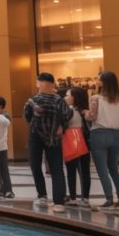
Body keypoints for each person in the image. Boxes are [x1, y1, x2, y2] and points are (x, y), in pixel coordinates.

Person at [24, 73, 73, 212]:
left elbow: (27, 116)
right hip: (54, 138)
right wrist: (61, 125)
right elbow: (68, 115)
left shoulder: (33, 100)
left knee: (35, 166)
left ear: (38, 82)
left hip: (35, 136)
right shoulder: (59, 100)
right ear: (52, 84)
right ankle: (59, 202)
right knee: (57, 169)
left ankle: (42, 195)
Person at [83, 71, 119, 212]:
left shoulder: (96, 98)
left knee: (102, 169)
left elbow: (91, 117)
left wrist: (84, 112)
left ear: (103, 82)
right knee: (114, 169)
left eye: (98, 79)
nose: (96, 81)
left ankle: (109, 199)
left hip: (99, 134)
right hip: (116, 134)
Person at [63, 87, 92, 208]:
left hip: (70, 140)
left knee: (71, 169)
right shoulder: (85, 111)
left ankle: (73, 197)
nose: (65, 98)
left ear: (75, 97)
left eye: (67, 95)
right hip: (84, 140)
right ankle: (85, 198)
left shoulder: (68, 110)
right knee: (84, 170)